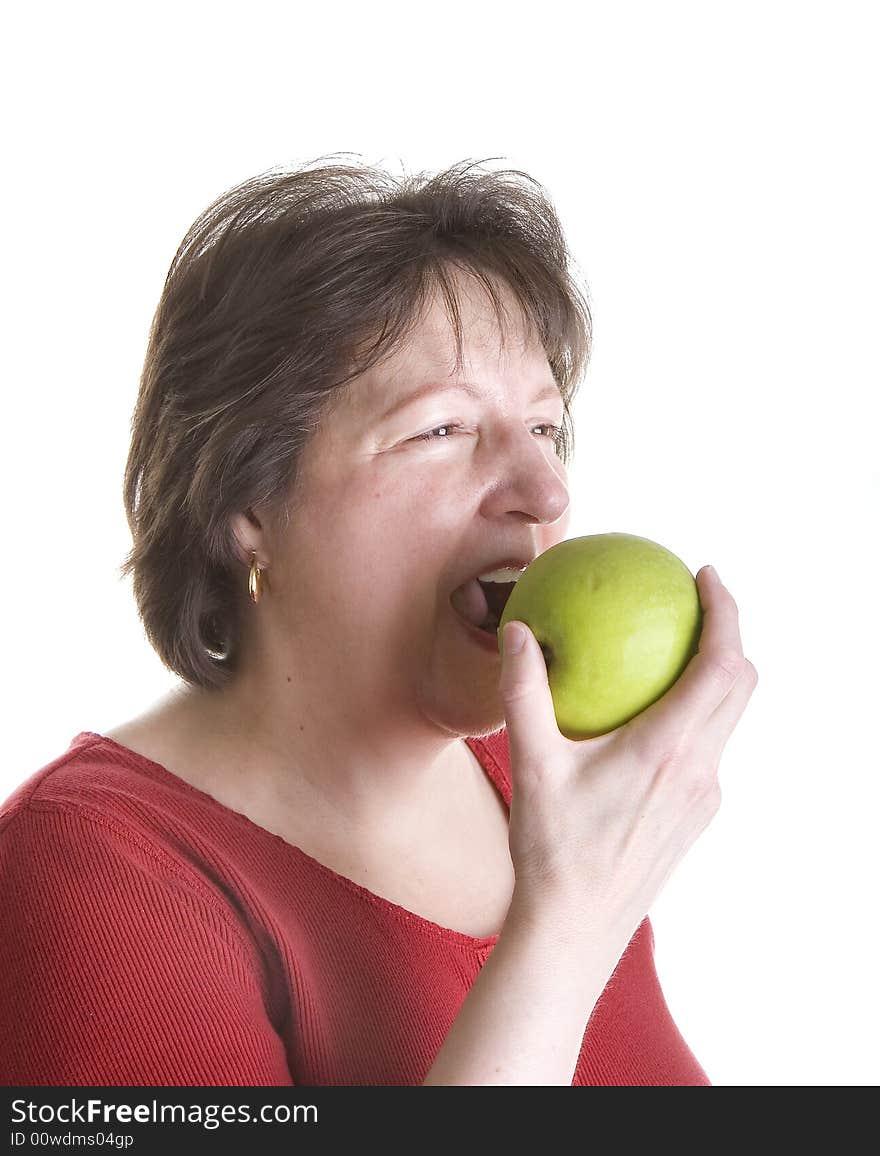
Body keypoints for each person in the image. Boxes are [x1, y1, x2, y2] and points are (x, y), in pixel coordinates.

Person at [0, 155, 757, 1086]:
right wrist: (569, 929)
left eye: (545, 429)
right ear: (250, 507)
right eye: (440, 429)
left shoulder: (544, 795)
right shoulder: (87, 874)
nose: (543, 491)